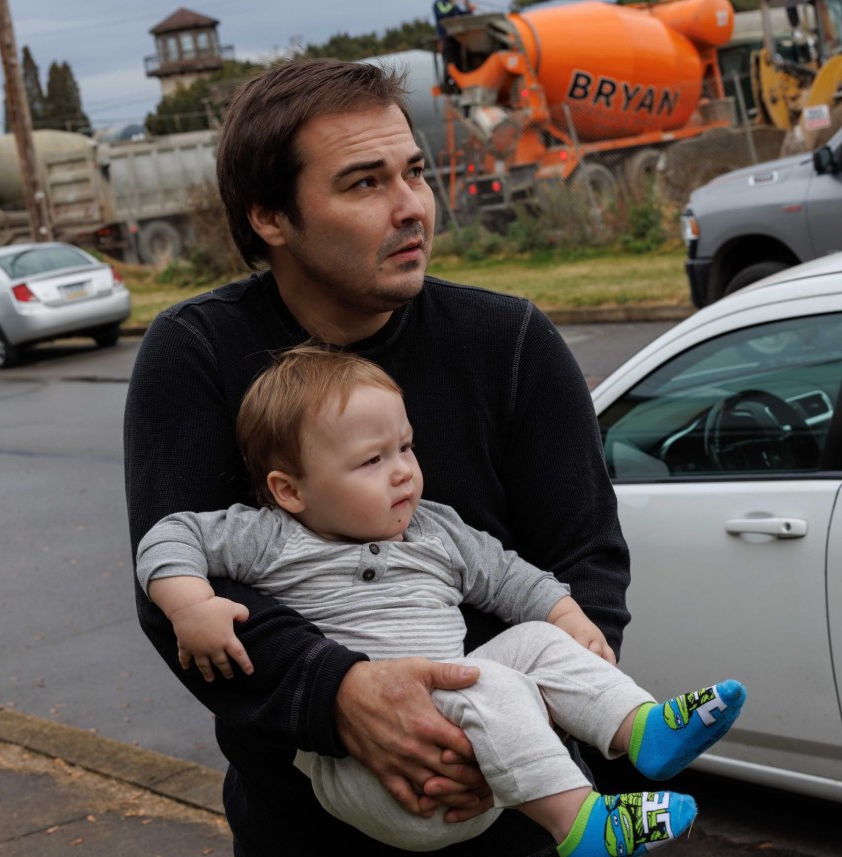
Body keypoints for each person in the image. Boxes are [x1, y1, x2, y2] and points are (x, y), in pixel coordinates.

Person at [124, 58, 635, 855]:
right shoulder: (198, 353)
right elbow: (182, 591)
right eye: (365, 183)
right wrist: (341, 695)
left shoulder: (510, 343)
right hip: (308, 827)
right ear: (271, 216)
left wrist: (499, 739)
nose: (412, 208)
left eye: (415, 172)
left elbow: (585, 563)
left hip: (517, 822)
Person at [136, 345, 747, 856]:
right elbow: (169, 534)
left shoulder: (436, 529)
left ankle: (641, 729)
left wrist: (568, 618)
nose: (402, 471)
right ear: (289, 490)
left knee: (538, 640)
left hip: (475, 757)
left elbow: (513, 578)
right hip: (368, 774)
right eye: (372, 460)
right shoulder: (269, 537)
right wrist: (190, 604)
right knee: (492, 683)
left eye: (405, 447)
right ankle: (578, 824)